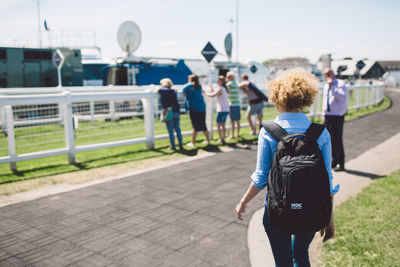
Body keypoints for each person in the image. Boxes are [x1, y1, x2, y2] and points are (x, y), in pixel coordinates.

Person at [235, 69, 339, 267]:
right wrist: (329, 218)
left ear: (276, 97)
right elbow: (327, 179)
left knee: (282, 262)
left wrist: (243, 202)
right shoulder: (321, 133)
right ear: (305, 98)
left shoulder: (268, 132)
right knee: (300, 254)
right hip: (312, 210)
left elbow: (261, 177)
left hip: (277, 212)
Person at [322, 68, 347, 172]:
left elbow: (341, 97)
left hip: (337, 116)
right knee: (328, 140)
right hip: (328, 116)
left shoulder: (340, 83)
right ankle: (334, 160)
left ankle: (341, 163)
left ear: (333, 74)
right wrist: (323, 116)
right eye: (325, 74)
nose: (327, 76)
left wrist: (333, 87)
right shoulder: (325, 85)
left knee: (337, 139)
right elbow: (325, 100)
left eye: (329, 73)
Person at [183, 74, 210, 147]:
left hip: (194, 108)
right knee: (203, 125)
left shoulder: (189, 86)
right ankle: (208, 140)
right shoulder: (199, 86)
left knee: (195, 126)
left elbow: (183, 89)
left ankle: (193, 142)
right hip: (202, 108)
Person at [157, 78, 183, 150]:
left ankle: (173, 145)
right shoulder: (174, 91)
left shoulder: (163, 91)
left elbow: (159, 90)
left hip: (169, 112)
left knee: (170, 130)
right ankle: (181, 144)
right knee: (178, 129)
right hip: (176, 111)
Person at [206, 75, 230, 144]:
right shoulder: (224, 89)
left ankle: (221, 138)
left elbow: (213, 95)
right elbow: (216, 93)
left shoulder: (220, 89)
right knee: (223, 125)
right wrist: (211, 88)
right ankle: (223, 138)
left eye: (218, 80)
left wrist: (206, 93)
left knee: (219, 124)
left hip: (221, 109)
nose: (217, 82)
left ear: (221, 81)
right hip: (225, 109)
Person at [226, 71, 241, 139]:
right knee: (237, 120)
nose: (227, 78)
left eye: (227, 77)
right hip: (237, 104)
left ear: (230, 77)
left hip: (232, 104)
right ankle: (237, 134)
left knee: (232, 121)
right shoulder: (236, 84)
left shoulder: (229, 84)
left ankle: (232, 134)